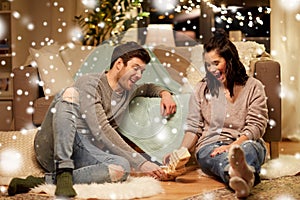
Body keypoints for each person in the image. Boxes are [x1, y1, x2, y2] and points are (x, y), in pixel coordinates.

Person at [8, 41, 176, 197]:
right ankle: (63, 168)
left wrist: (165, 94)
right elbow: (101, 129)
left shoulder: (129, 90)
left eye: (142, 71)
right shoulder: (89, 83)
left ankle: (46, 181)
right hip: (53, 147)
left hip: (83, 153)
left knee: (121, 168)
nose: (139, 75)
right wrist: (140, 163)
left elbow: (149, 88)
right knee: (68, 93)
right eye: (135, 68)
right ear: (119, 64)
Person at [163, 30, 268, 198]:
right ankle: (240, 176)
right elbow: (194, 128)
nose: (211, 69)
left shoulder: (254, 87)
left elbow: (256, 125)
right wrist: (179, 152)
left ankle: (238, 177)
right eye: (207, 65)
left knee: (249, 149)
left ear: (230, 60)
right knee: (214, 157)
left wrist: (234, 145)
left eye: (216, 63)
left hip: (245, 141)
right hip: (210, 144)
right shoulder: (201, 89)